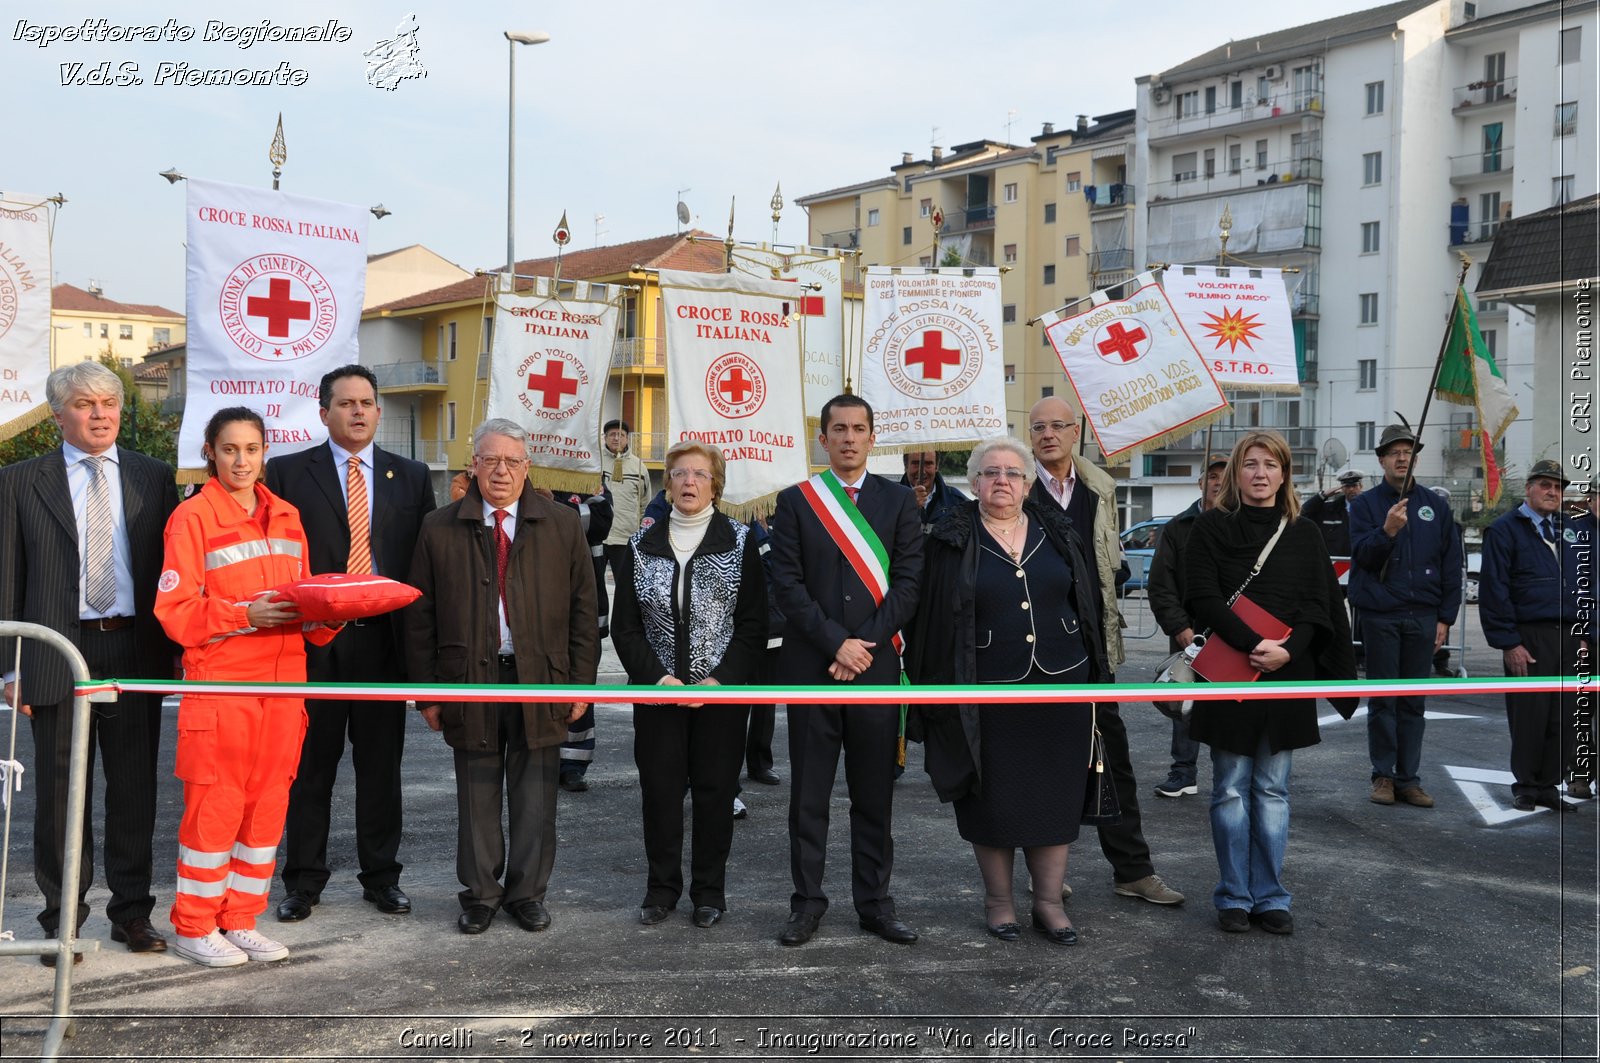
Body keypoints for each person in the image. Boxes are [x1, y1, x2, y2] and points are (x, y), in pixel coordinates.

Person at [0, 362, 178, 965]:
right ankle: (63, 921)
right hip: (57, 654)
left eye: (109, 402)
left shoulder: (155, 477)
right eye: (84, 403)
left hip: (133, 649)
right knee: (58, 796)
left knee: (133, 790)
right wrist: (8, 666)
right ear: (57, 414)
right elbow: (6, 581)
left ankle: (131, 913)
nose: (100, 413)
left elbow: (168, 570)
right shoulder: (20, 482)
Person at [154, 407, 341, 967]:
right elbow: (175, 612)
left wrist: (330, 614)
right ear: (210, 451)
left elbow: (300, 599)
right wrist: (243, 615)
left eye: (252, 449)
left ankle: (239, 919)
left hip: (284, 688)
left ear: (265, 453)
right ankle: (194, 925)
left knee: (266, 808)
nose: (241, 460)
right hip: (224, 689)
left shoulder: (288, 515)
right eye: (230, 449)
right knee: (215, 806)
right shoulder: (191, 518)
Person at [907, 438, 1106, 945]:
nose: (1003, 480)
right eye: (991, 472)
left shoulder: (1058, 531)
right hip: (986, 688)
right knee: (990, 796)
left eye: (1013, 473)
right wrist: (929, 696)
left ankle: (1047, 901)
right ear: (973, 484)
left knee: (1056, 794)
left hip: (1062, 685)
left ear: (1028, 482)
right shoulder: (949, 537)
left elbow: (1087, 602)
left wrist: (1099, 672)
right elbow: (931, 620)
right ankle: (999, 902)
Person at [404, 419, 598, 935]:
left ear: (527, 467)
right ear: (474, 465)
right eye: (490, 460)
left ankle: (527, 894)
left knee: (536, 794)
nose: (501, 471)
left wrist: (581, 684)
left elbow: (585, 608)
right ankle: (481, 896)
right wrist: (427, 693)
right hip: (468, 679)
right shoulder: (439, 526)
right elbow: (419, 616)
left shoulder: (560, 524)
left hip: (543, 679)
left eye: (512, 461)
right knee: (478, 794)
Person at [267, 365, 436, 924]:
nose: (358, 411)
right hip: (314, 646)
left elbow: (423, 562)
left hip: (384, 648)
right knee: (311, 768)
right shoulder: (287, 473)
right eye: (346, 403)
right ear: (323, 413)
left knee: (381, 769)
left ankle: (382, 878)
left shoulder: (410, 476)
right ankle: (303, 882)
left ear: (378, 411)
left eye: (367, 402)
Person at [1183, 431, 1356, 935]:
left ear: (1284, 473)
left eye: (1271, 465)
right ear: (1236, 473)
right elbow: (1202, 594)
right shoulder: (1212, 527)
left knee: (1273, 790)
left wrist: (1289, 649)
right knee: (1231, 789)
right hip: (1232, 670)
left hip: (1287, 670)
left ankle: (1271, 896)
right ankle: (1234, 895)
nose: (1260, 474)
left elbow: (1318, 605)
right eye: (1250, 464)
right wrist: (1250, 643)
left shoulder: (1303, 532)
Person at [769, 394, 923, 946]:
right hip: (813, 668)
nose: (850, 438)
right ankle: (807, 902)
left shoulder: (900, 501)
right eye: (839, 429)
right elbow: (786, 585)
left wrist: (867, 644)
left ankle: (875, 903)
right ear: (823, 438)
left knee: (874, 795)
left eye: (859, 428)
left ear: (872, 437)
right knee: (809, 796)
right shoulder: (795, 501)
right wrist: (838, 643)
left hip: (877, 669)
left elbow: (909, 584)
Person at [1026, 396, 1183, 907]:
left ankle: (1132, 869)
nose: (1048, 434)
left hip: (1091, 648)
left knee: (1112, 759)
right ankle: (1044, 874)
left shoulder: (1099, 489)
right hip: (1034, 650)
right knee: (1042, 760)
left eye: (1058, 426)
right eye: (1038, 427)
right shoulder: (1016, 487)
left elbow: (1105, 563)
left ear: (1077, 432)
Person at [611, 441, 767, 928]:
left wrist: (720, 680)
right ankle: (661, 890)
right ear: (668, 483)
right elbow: (626, 626)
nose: (689, 482)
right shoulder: (642, 545)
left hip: (719, 697)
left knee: (715, 792)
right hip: (658, 694)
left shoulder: (740, 542)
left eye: (700, 473)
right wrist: (657, 677)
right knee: (659, 792)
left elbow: (753, 626)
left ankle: (709, 893)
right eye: (679, 473)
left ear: (715, 484)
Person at [1348, 423, 1462, 808]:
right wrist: (1387, 531)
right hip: (1381, 615)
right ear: (1381, 459)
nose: (1402, 458)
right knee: (1384, 700)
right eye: (1394, 452)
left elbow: (1451, 565)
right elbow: (1362, 557)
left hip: (1424, 616)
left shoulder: (1436, 506)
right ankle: (1382, 775)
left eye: (1408, 452)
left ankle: (1408, 778)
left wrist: (1446, 618)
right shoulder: (1364, 505)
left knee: (1414, 701)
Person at [1479, 460, 1592, 811]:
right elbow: (1494, 590)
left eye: (1557, 487)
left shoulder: (1568, 530)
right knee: (1530, 714)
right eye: (1545, 485)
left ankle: (1548, 785)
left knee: (1564, 715)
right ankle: (1526, 785)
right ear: (1528, 488)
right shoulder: (1505, 530)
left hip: (1570, 637)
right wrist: (1509, 641)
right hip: (1529, 637)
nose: (1552, 492)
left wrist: (1584, 634)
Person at [1147, 452, 1227, 799]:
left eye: (1226, 476)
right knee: (1184, 705)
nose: (1218, 482)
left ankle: (1229, 774)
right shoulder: (1177, 527)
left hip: (1231, 636)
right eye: (1212, 475)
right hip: (1189, 633)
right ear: (1200, 482)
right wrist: (1179, 627)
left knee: (1229, 706)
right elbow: (1161, 584)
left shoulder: (1242, 526)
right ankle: (1183, 772)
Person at [602, 417, 653, 616]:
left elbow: (644, 503)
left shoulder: (639, 466)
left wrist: (640, 532)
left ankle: (625, 627)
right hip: (598, 536)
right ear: (604, 437)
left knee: (626, 589)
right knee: (593, 588)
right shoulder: (594, 462)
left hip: (625, 538)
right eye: (612, 434)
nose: (616, 438)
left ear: (627, 439)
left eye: (621, 435)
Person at [1301, 467, 1363, 558]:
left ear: (1361, 486)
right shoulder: (1330, 509)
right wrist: (1323, 496)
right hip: (1335, 566)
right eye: (1347, 486)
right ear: (1342, 488)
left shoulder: (1370, 508)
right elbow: (1304, 513)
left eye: (1354, 485)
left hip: (1362, 565)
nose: (1351, 489)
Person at [900, 449, 968, 532]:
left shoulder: (957, 501)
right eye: (916, 464)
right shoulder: (890, 499)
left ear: (937, 466)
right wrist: (908, 507)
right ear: (905, 466)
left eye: (928, 464)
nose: (922, 471)